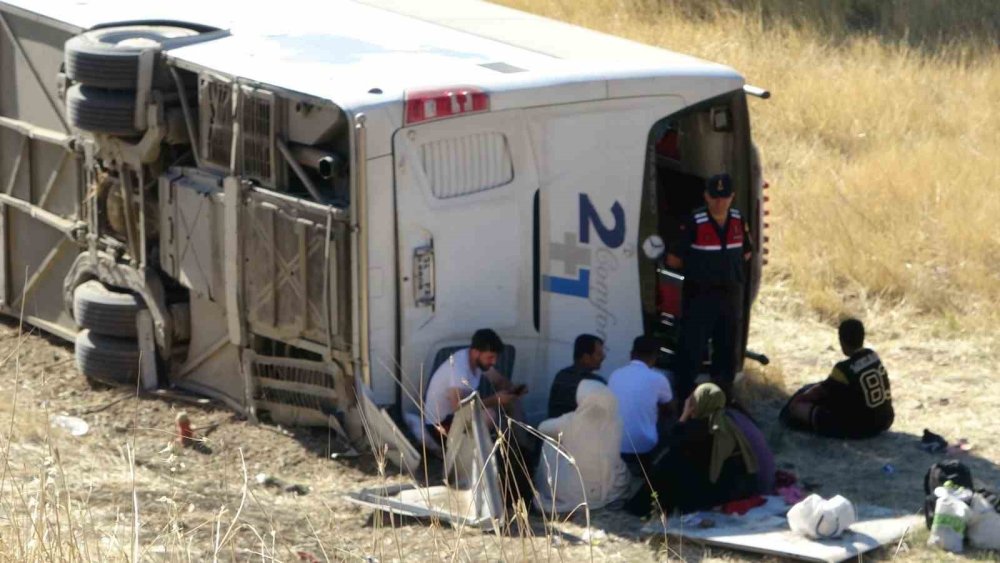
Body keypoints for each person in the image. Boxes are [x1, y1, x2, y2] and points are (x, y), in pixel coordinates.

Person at [666, 173, 752, 402]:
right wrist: (700, 269)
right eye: (714, 197)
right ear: (706, 196)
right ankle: (684, 402)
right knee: (691, 351)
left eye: (724, 197)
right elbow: (673, 259)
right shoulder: (694, 222)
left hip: (730, 297)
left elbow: (747, 251)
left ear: (732, 197)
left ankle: (723, 401)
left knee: (727, 352)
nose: (719, 202)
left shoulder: (738, 219)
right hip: (700, 297)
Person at [625, 383, 760, 517]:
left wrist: (684, 415)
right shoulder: (729, 425)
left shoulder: (698, 428)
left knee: (668, 463)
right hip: (731, 491)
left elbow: (668, 445)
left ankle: (640, 508)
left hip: (707, 495)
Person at [781, 318, 894, 439]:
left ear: (842, 341)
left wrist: (799, 399)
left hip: (862, 429)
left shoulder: (843, 369)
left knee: (797, 408)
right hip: (885, 420)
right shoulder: (872, 355)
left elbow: (819, 391)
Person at [534, 379, 631, 514]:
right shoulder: (616, 422)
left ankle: (547, 484)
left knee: (551, 441)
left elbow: (541, 428)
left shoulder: (570, 421)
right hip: (611, 487)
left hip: (574, 490)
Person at [422, 329, 523, 442]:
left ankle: (521, 448)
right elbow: (458, 406)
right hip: (440, 427)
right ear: (476, 352)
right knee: (488, 415)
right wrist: (495, 400)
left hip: (457, 419)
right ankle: (473, 456)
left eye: (495, 358)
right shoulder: (458, 367)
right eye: (490, 357)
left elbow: (498, 381)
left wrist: (512, 389)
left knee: (513, 402)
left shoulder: (477, 361)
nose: (494, 362)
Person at [607, 335, 674, 469]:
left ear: (632, 354)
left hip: (614, 446)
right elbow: (670, 410)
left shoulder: (615, 374)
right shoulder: (659, 378)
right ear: (655, 357)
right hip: (644, 448)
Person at [548, 334, 607, 419]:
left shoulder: (561, 376)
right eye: (599, 354)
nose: (603, 357)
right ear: (586, 357)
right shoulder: (597, 383)